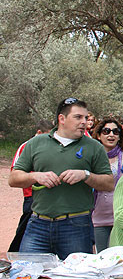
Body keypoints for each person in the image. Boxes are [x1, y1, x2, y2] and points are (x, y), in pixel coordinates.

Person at [9, 98, 114, 259]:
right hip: (38, 224)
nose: (84, 122)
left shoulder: (94, 147)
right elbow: (14, 179)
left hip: (77, 226)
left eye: (86, 118)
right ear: (62, 119)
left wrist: (85, 175)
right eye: (78, 117)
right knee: (26, 275)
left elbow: (108, 183)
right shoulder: (36, 143)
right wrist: (36, 176)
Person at [8, 120, 54, 252]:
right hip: (31, 195)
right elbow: (15, 172)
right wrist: (37, 176)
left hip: (49, 196)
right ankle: (15, 253)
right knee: (26, 226)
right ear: (39, 133)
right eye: (46, 135)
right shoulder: (26, 146)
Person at [92, 118, 123, 252]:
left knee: (121, 256)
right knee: (102, 256)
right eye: (106, 131)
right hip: (98, 217)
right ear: (98, 135)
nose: (111, 135)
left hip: (122, 217)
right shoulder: (91, 158)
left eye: (115, 132)